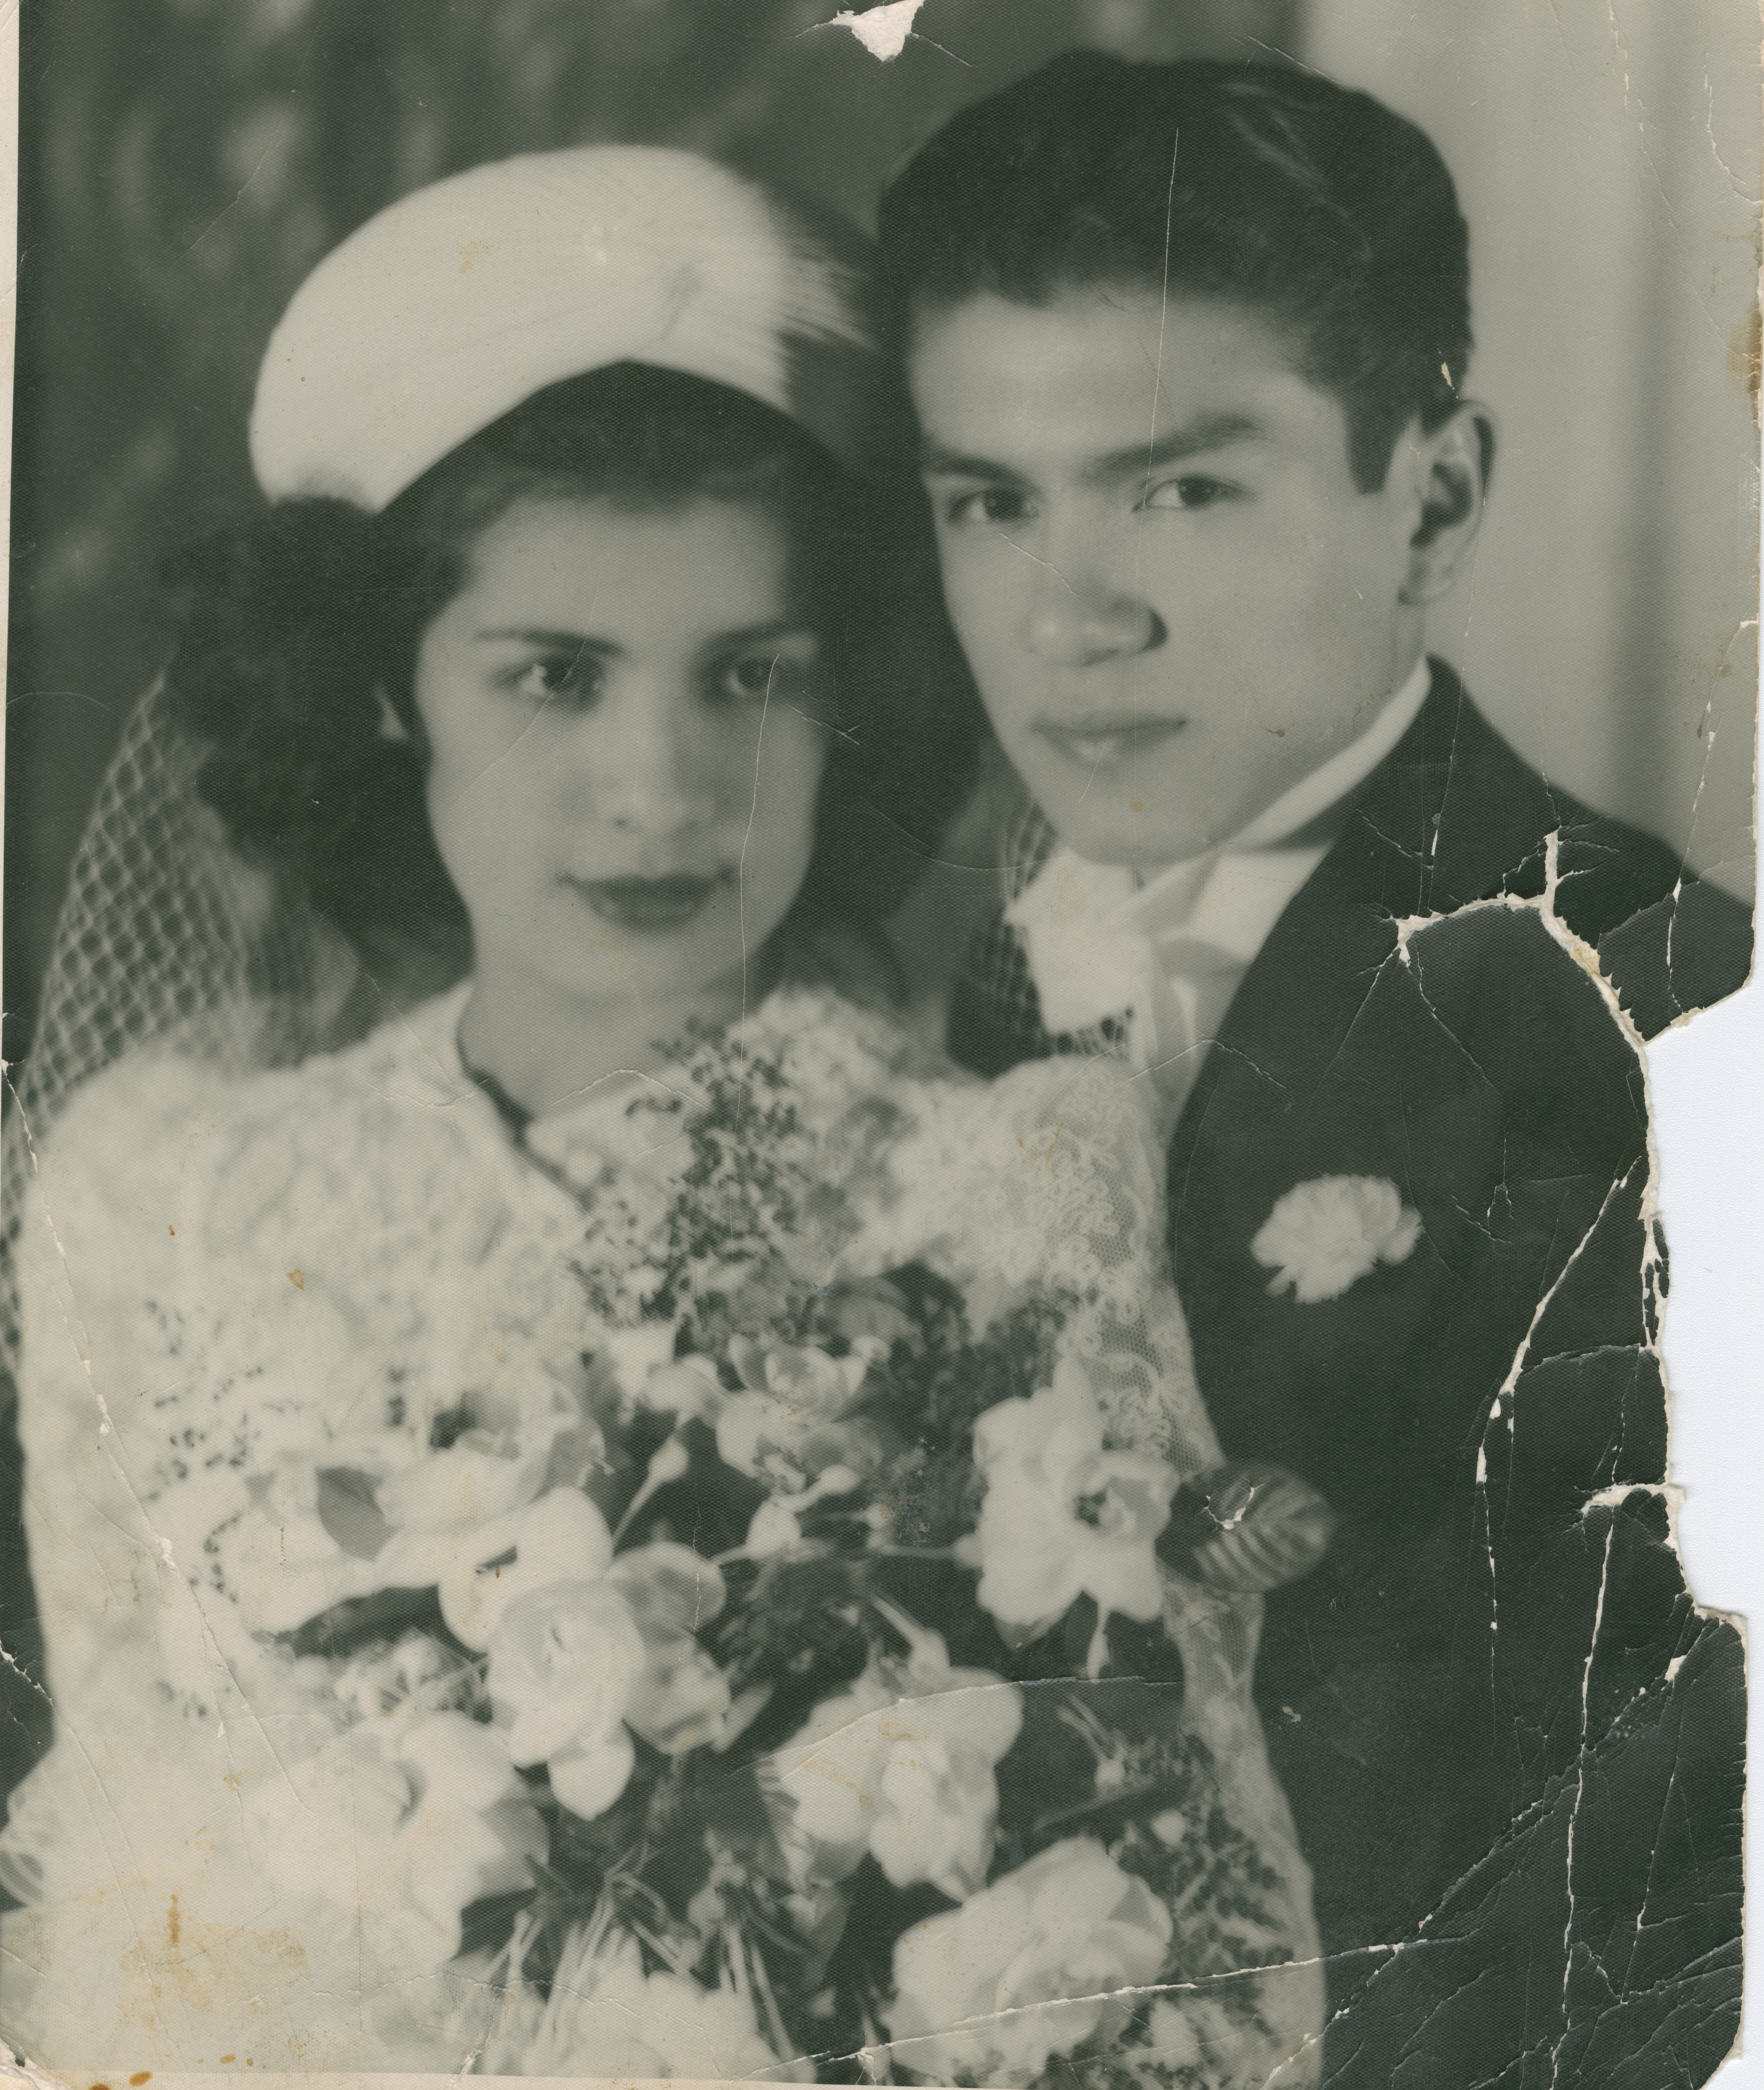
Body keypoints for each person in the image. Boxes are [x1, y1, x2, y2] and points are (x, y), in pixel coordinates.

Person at [2, 147, 1327, 2081]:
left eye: (747, 678)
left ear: (851, 689)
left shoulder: (1011, 1183)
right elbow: (120, 1881)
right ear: (387, 691)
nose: (660, 787)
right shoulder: (161, 1183)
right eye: (552, 675)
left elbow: (1190, 1937)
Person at [876, 53, 1749, 2087]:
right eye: (988, 501)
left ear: (1428, 498)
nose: (1069, 614)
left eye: (1180, 486)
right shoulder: (909, 989)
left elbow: (1657, 1935)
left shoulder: (1665, 1027)